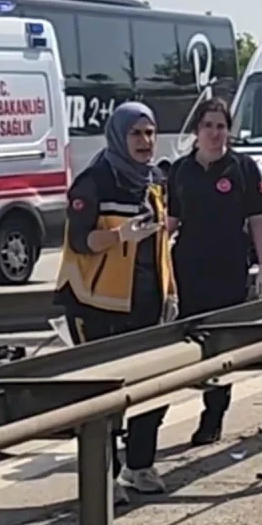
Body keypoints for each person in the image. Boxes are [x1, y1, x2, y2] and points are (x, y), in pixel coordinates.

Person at [57, 101, 177, 498]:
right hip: (95, 305)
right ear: (118, 136)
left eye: (149, 133)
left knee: (151, 389)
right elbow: (79, 240)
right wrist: (120, 236)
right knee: (103, 398)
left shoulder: (154, 180)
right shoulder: (94, 181)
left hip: (145, 302)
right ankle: (103, 479)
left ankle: (139, 467)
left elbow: (161, 243)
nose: (145, 142)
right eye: (136, 133)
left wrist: (170, 292)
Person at [166, 97, 262, 446]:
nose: (215, 133)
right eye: (208, 126)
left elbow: (258, 221)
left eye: (221, 126)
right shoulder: (180, 171)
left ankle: (212, 416)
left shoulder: (243, 168)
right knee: (182, 346)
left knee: (220, 346)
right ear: (197, 130)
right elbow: (170, 223)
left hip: (228, 269)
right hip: (188, 269)